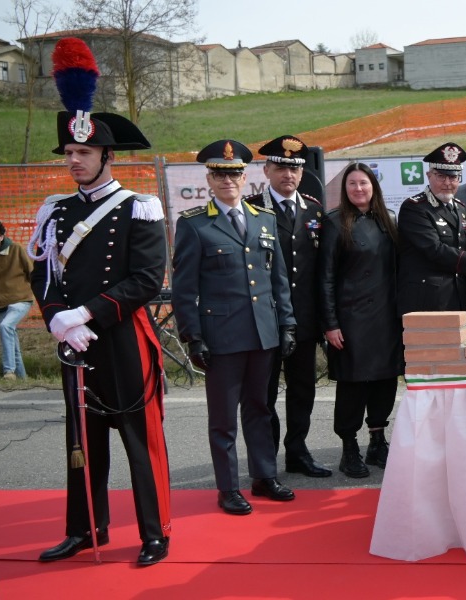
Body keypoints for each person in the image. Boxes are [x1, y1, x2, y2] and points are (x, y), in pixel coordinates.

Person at [28, 39, 171, 564]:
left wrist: (87, 312)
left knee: (138, 436)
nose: (74, 161)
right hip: (74, 340)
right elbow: (43, 274)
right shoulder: (55, 212)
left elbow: (146, 280)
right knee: (82, 441)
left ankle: (155, 532)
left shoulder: (139, 208)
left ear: (106, 155)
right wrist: (57, 321)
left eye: (83, 152)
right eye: (68, 153)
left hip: (122, 335)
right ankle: (86, 527)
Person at [171, 139, 297, 516]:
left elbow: (278, 280)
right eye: (220, 175)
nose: (229, 181)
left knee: (260, 408)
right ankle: (227, 488)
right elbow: (184, 289)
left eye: (235, 174)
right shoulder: (194, 224)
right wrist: (193, 336)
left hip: (263, 332)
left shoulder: (265, 219)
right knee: (224, 419)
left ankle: (264, 476)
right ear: (209, 179)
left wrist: (287, 323)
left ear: (246, 178)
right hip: (221, 337)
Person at [245, 135, 331, 478]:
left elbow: (321, 269)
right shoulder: (250, 208)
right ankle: (266, 458)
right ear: (267, 169)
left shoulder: (313, 209)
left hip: (305, 318)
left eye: (295, 168)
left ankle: (298, 451)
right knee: (262, 394)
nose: (288, 175)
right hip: (264, 317)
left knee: (302, 390)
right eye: (281, 167)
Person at [318, 163, 403, 479]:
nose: (358, 189)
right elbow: (324, 277)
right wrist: (330, 323)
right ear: (345, 189)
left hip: (386, 318)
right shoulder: (335, 222)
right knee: (353, 385)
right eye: (352, 184)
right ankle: (349, 447)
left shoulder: (388, 220)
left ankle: (377, 441)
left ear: (374, 186)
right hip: (350, 319)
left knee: (385, 381)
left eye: (363, 183)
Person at [397, 142, 466, 315]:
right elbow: (435, 250)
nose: (447, 183)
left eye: (453, 177)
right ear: (428, 175)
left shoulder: (459, 207)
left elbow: (464, 246)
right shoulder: (414, 208)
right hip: (426, 301)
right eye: (441, 176)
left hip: (457, 297)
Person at [0, 220, 33, 380]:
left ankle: (8, 371)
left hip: (20, 299)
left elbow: (32, 272)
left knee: (5, 326)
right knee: (9, 336)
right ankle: (22, 379)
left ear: (2, 237)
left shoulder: (16, 249)